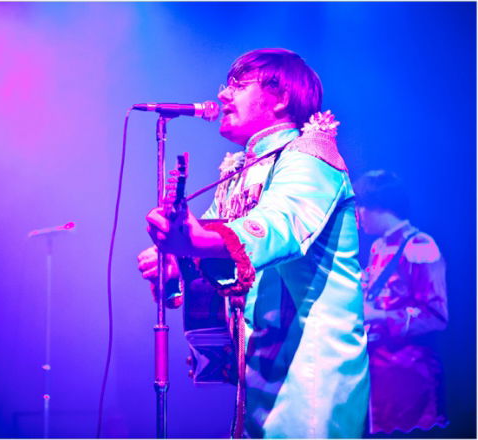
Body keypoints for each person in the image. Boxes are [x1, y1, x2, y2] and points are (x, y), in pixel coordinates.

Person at [137, 48, 369, 438]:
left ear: (281, 98)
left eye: (238, 85)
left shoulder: (309, 157)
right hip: (261, 372)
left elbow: (279, 227)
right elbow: (210, 253)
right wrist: (177, 263)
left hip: (312, 370)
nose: (223, 94)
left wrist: (194, 240)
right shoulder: (240, 172)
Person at [354, 170, 449, 436]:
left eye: (360, 206)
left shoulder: (420, 245)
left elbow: (436, 317)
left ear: (377, 206)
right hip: (378, 369)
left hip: (409, 375)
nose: (358, 215)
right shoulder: (378, 247)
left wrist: (377, 315)